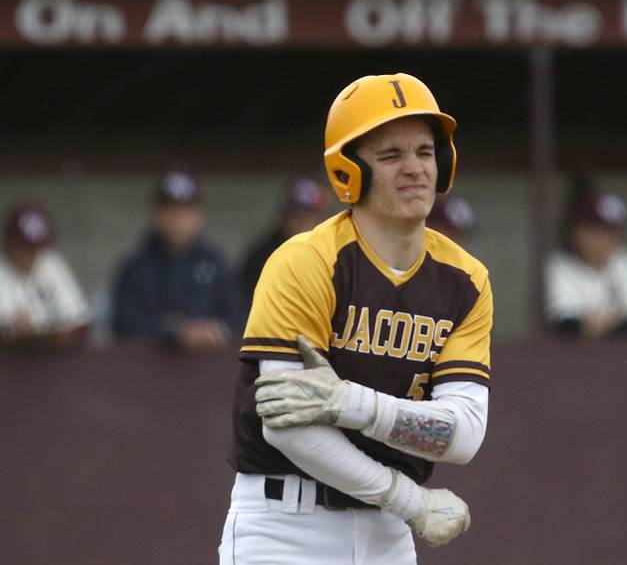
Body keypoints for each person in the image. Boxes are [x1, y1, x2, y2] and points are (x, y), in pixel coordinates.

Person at [220, 73, 493, 564]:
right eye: (391, 156)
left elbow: (464, 434)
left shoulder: (467, 279)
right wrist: (410, 501)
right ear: (349, 171)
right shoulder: (304, 260)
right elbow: (289, 428)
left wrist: (352, 404)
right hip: (286, 524)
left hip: (388, 533)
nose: (414, 168)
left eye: (425, 152)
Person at [112, 169, 244, 351]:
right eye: (169, 209)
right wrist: (173, 332)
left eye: (185, 209)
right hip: (148, 374)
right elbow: (124, 326)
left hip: (210, 372)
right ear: (156, 212)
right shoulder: (135, 268)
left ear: (199, 214)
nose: (177, 218)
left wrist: (213, 331)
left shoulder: (216, 263)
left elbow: (239, 319)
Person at [545, 185, 627, 339]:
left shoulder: (623, 258)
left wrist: (597, 325)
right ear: (578, 232)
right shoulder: (557, 265)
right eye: (600, 232)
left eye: (614, 233)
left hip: (620, 357)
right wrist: (616, 319)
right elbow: (567, 327)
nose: (610, 241)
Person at [0, 202, 90, 350]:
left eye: (36, 248)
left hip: (51, 365)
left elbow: (78, 321)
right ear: (9, 242)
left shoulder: (50, 263)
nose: (32, 254)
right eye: (25, 247)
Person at [239, 177, 331, 307]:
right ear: (283, 218)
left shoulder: (335, 255)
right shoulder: (262, 257)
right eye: (296, 216)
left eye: (309, 217)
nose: (301, 224)